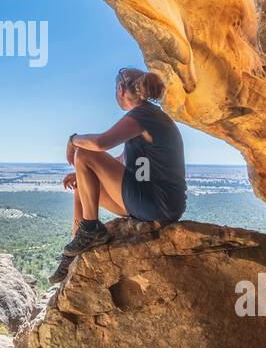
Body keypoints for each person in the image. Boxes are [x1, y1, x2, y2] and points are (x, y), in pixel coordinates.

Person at [52, 67, 187, 283]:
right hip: (149, 202)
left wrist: (73, 140)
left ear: (121, 88)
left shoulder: (143, 115)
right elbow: (119, 163)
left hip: (155, 203)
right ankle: (75, 253)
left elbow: (99, 144)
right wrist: (81, 172)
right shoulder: (147, 118)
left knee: (86, 151)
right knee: (81, 186)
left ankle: (90, 229)